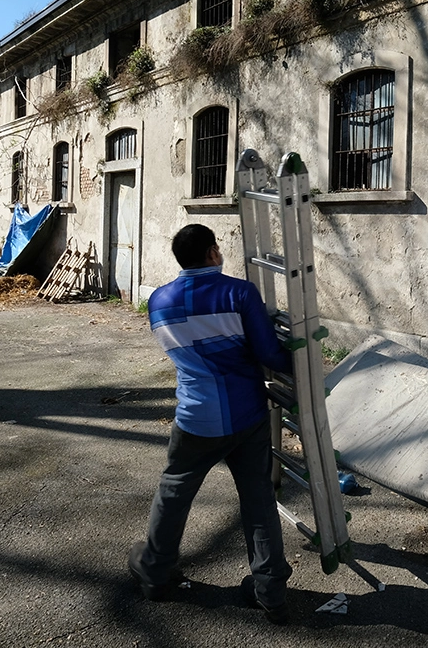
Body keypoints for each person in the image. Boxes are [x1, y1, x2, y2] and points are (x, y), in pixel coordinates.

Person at [128, 224, 293, 624]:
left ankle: (154, 572)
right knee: (257, 497)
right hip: (247, 415)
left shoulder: (157, 302)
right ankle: (270, 589)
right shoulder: (239, 292)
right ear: (213, 252)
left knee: (174, 491)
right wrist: (304, 367)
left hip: (195, 418)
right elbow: (269, 352)